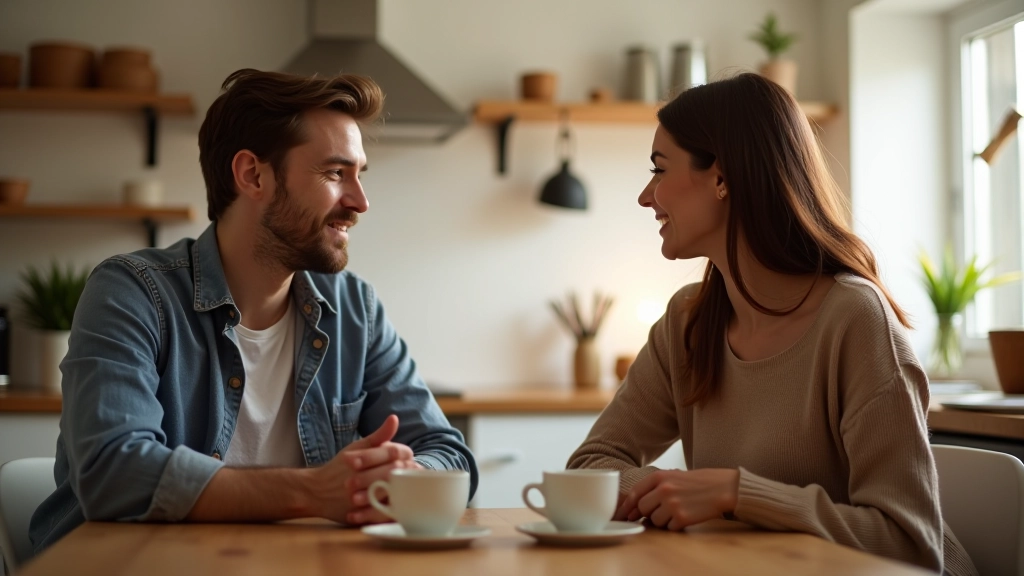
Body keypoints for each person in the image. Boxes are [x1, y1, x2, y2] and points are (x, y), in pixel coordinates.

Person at [30, 69, 477, 550]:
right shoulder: (133, 292)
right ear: (252, 175)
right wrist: (314, 491)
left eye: (359, 175)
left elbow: (450, 454)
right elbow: (113, 473)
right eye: (334, 173)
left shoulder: (355, 309)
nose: (360, 202)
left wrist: (406, 474)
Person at [566, 73, 977, 576]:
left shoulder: (854, 318)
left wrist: (735, 493)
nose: (645, 197)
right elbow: (590, 466)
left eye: (659, 169)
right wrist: (667, 490)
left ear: (722, 178)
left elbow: (910, 545)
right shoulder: (686, 322)